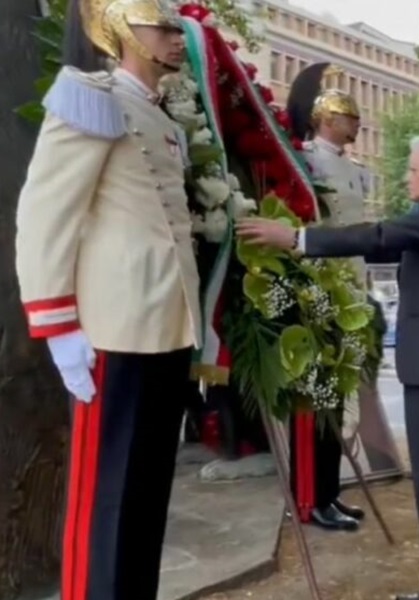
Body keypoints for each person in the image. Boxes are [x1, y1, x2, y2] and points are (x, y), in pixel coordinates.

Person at [236, 133, 419, 600]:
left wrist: (296, 238)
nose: (406, 177)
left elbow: (381, 235)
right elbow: (384, 245)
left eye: (413, 169)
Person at [15, 1, 201, 599]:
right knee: (107, 501)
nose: (178, 38)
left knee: (147, 495)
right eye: (164, 26)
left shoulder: (161, 115)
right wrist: (58, 324)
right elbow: (46, 217)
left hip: (165, 328)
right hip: (113, 333)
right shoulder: (90, 97)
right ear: (120, 26)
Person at [284, 62, 370, 531]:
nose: (355, 124)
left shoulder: (354, 171)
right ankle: (310, 496)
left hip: (350, 286)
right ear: (324, 119)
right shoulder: (307, 160)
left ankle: (330, 492)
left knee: (338, 394)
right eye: (347, 116)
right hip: (320, 284)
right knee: (316, 396)